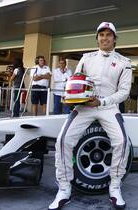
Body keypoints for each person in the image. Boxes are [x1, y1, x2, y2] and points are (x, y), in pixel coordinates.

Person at [49, 22, 132, 210]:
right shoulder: (86, 58)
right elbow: (76, 80)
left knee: (122, 141)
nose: (105, 38)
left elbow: (124, 92)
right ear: (97, 39)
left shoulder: (124, 62)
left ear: (115, 39)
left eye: (108, 35)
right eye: (101, 34)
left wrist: (101, 102)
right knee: (63, 140)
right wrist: (70, 95)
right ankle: (64, 188)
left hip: (108, 107)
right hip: (84, 107)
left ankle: (115, 186)